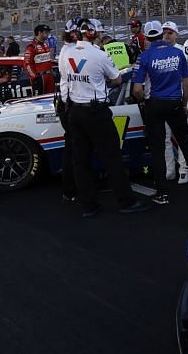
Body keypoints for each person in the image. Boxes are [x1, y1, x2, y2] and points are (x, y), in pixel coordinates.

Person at [56, 18, 147, 217]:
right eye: (97, 31)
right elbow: (116, 78)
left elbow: (65, 79)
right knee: (112, 157)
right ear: (92, 33)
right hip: (95, 111)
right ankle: (126, 201)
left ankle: (88, 205)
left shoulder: (65, 53)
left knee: (81, 160)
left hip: (74, 111)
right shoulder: (99, 54)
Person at [134, 20, 188, 203]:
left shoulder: (145, 56)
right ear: (161, 34)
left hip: (154, 104)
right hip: (175, 102)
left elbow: (137, 90)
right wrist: (183, 103)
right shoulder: (177, 53)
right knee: (185, 142)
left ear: (148, 37)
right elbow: (186, 85)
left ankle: (162, 193)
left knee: (157, 148)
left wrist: (143, 102)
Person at [27, 23, 58, 94]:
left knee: (51, 98)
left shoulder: (46, 45)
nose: (48, 34)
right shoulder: (31, 47)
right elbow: (27, 64)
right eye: (46, 32)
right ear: (39, 33)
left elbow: (47, 60)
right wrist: (34, 77)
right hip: (40, 77)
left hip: (50, 76)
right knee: (41, 100)